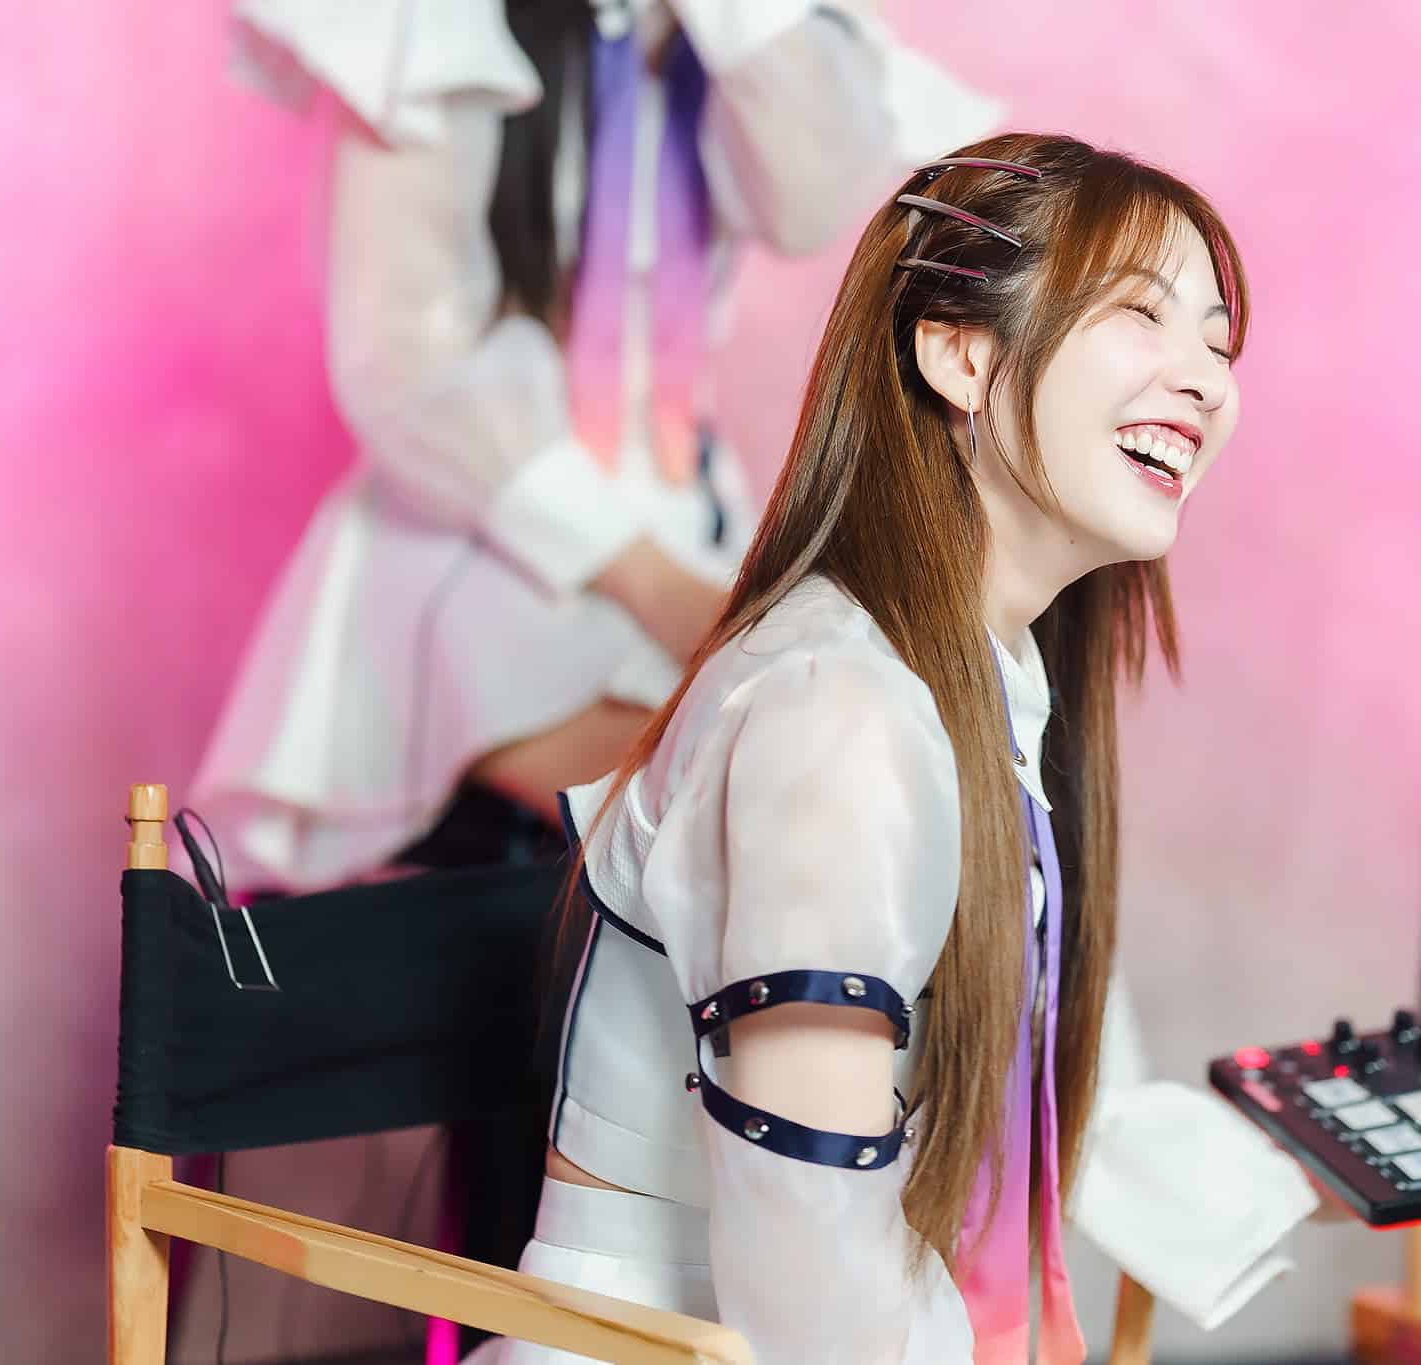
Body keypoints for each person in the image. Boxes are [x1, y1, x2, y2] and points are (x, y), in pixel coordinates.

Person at [488, 132, 1334, 1365]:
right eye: (1140, 315)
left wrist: (1335, 1145)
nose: (1205, 382)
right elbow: (807, 1264)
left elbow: (1066, 1109)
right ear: (958, 353)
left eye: (1217, 342)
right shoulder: (835, 713)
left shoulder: (990, 695)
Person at [193, 0, 1001, 892]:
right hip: (481, 530)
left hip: (689, 509)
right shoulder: (437, 26)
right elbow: (407, 368)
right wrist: (658, 587)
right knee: (758, 816)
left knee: (878, 795)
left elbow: (808, 205)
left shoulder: (757, 37)